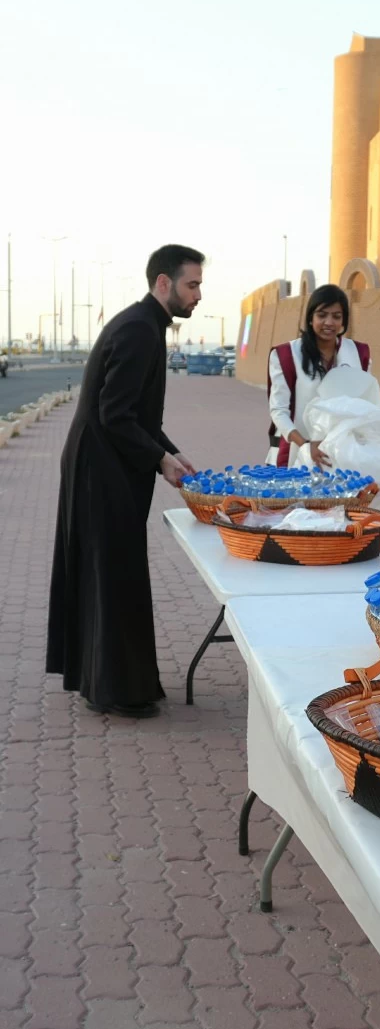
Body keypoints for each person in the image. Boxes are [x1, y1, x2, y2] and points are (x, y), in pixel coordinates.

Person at [47, 244, 205, 718]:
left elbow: (133, 413)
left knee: (110, 573)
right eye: (191, 284)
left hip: (101, 461)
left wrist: (170, 453)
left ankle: (105, 683)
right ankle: (115, 690)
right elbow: (115, 415)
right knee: (113, 574)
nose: (198, 295)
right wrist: (160, 459)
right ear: (163, 283)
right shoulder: (140, 330)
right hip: (100, 466)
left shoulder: (143, 325)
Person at [267, 284, 371, 468]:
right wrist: (306, 445)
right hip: (296, 454)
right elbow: (279, 411)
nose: (329, 322)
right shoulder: (287, 355)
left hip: (343, 456)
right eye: (322, 315)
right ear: (310, 318)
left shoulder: (358, 353)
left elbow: (366, 405)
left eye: (336, 316)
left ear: (344, 320)